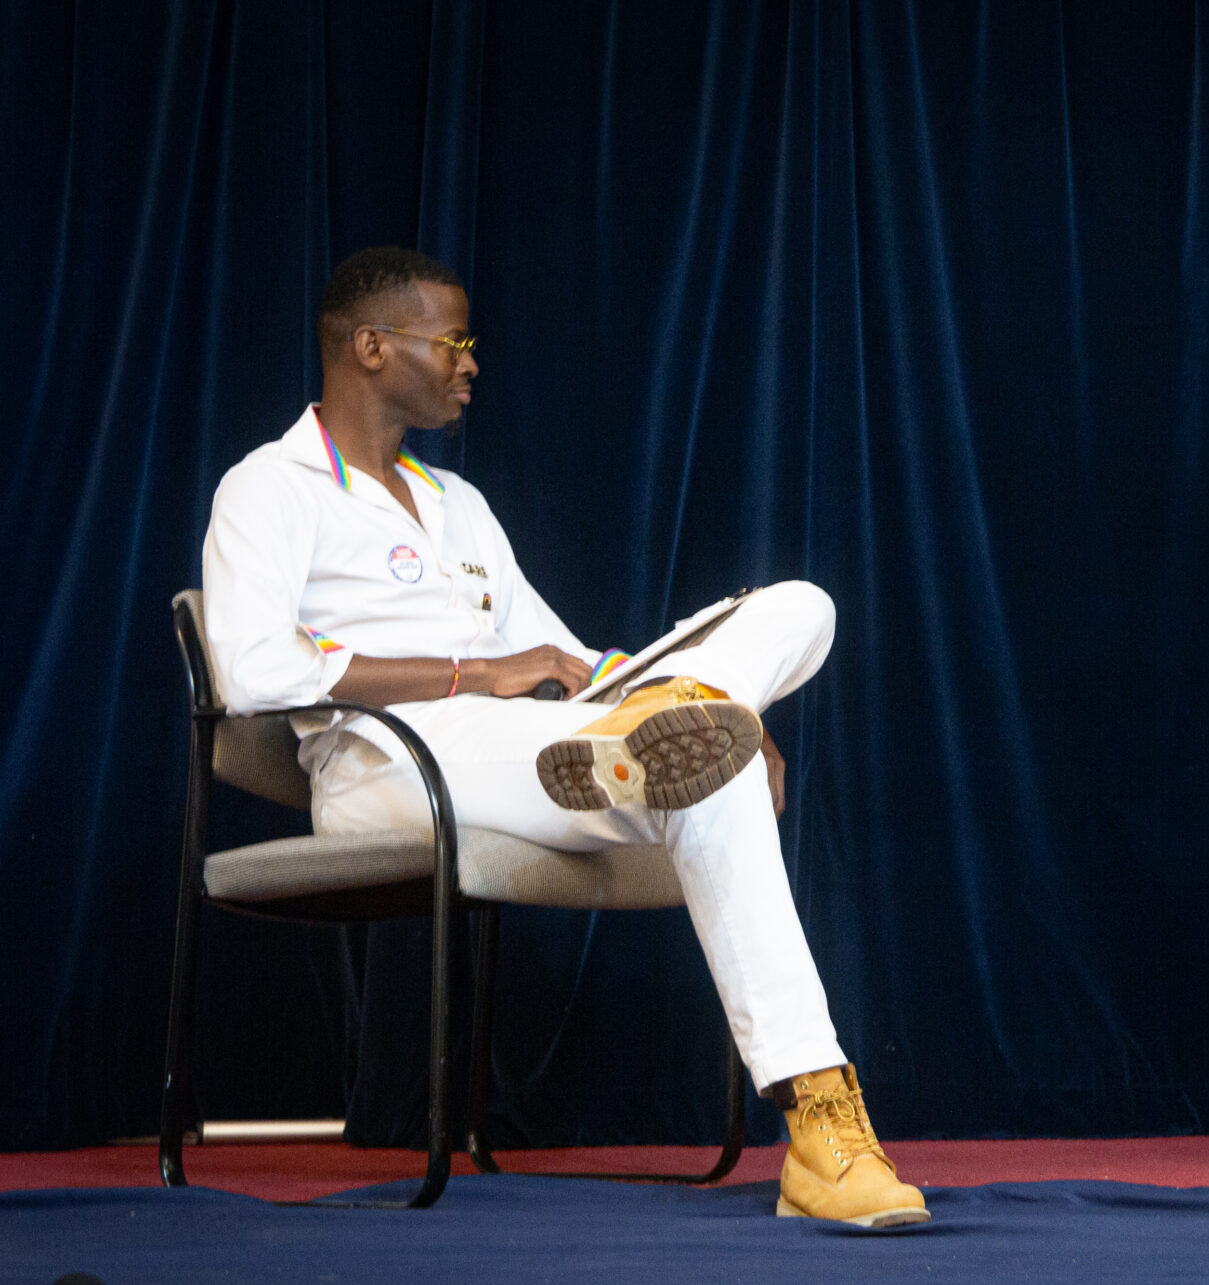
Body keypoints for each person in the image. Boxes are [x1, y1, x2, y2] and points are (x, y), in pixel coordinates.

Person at [201, 246, 927, 1228]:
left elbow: (568, 658)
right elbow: (249, 670)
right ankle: (824, 1126)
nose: (469, 361)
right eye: (449, 340)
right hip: (386, 763)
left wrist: (723, 706)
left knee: (802, 606)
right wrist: (471, 674)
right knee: (693, 777)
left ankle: (816, 1121)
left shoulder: (461, 508)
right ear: (370, 347)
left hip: (529, 748)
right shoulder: (270, 487)